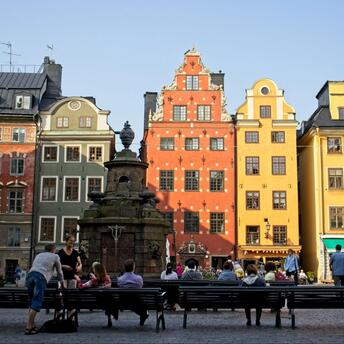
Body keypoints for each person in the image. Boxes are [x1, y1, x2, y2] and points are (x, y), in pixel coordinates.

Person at [25, 244, 64, 335]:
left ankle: (32, 325)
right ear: (53, 250)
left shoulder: (38, 255)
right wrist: (62, 283)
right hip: (40, 277)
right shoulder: (55, 256)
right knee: (37, 302)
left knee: (32, 301)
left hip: (30, 276)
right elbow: (59, 272)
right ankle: (28, 327)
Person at [117, 259, 148, 326]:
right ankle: (144, 314)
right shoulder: (139, 278)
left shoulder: (120, 279)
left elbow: (119, 286)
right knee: (138, 300)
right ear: (133, 267)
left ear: (124, 268)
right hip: (137, 302)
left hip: (124, 302)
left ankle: (143, 314)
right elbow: (140, 286)